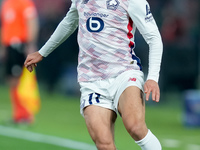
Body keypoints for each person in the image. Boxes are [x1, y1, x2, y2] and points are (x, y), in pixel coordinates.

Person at [24, 0, 163, 149]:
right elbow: (69, 22)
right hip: (91, 80)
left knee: (135, 127)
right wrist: (42, 52)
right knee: (104, 144)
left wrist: (153, 78)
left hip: (124, 72)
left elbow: (154, 37)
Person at [0, 0, 39, 124]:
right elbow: (5, 26)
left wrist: (30, 43)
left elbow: (32, 22)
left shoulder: (24, 3)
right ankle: (18, 114)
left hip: (20, 44)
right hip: (9, 45)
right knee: (11, 80)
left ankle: (26, 114)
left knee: (21, 79)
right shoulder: (6, 4)